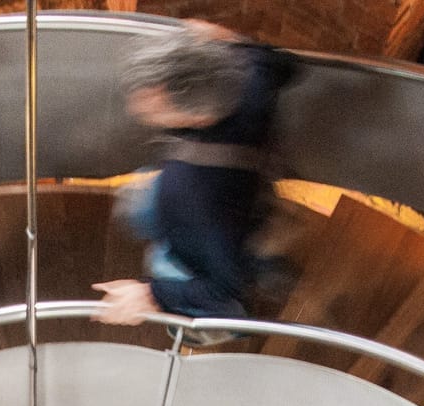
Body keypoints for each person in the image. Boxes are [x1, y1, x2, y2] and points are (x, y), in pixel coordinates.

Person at [93, 21, 297, 328]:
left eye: (153, 103)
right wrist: (229, 37)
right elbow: (280, 64)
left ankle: (223, 290)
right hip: (243, 195)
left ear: (197, 117)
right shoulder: (249, 83)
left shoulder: (189, 196)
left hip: (216, 220)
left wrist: (150, 294)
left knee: (143, 213)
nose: (137, 108)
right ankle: (256, 259)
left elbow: (226, 296)